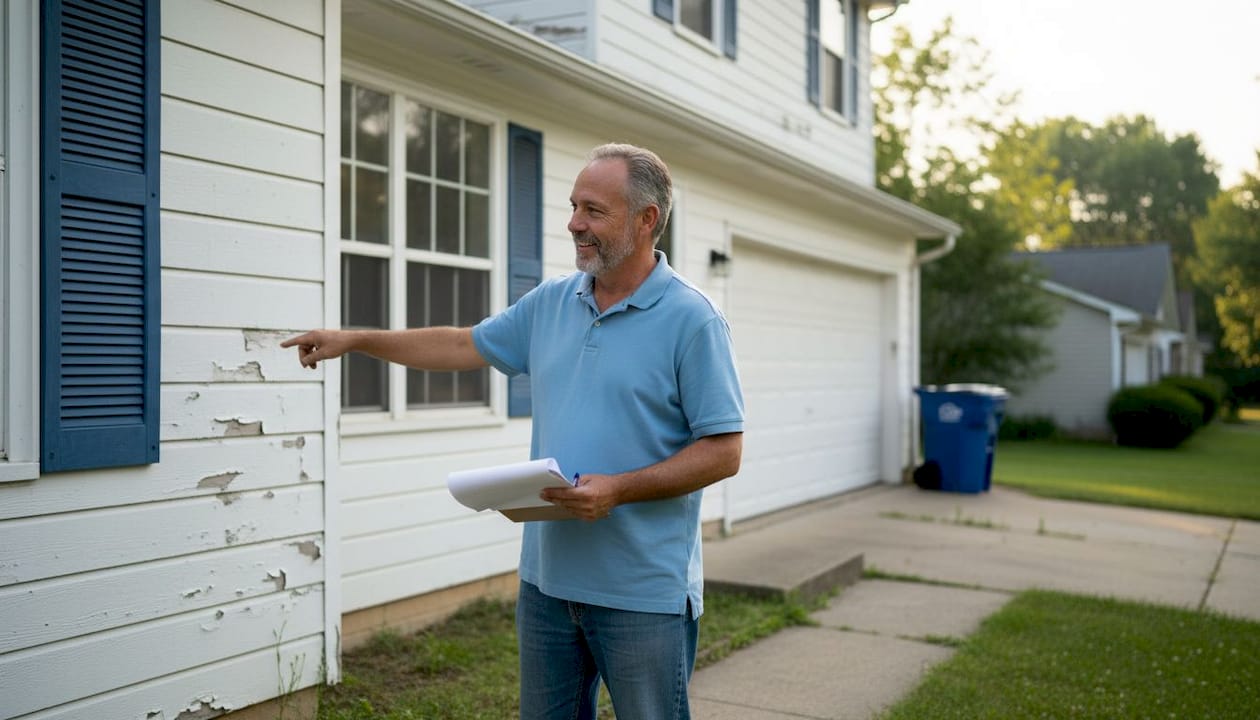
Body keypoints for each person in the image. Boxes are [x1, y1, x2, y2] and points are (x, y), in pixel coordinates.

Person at [283, 143, 744, 719]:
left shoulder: (692, 320)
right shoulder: (552, 302)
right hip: (547, 585)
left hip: (643, 594)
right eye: (574, 206)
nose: (575, 222)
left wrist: (619, 489)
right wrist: (358, 339)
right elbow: (460, 343)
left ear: (647, 219)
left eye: (594, 210)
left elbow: (724, 452)